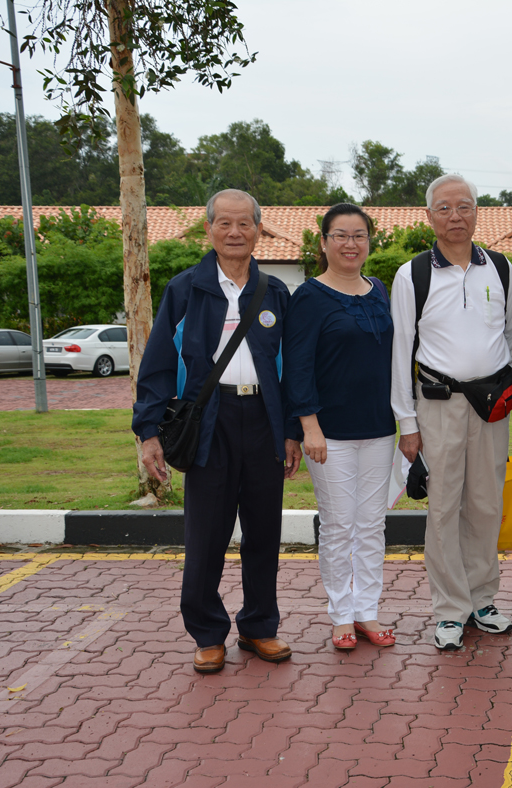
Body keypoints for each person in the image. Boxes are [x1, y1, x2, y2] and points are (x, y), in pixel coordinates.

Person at [133, 189, 301, 674]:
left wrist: (290, 429)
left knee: (264, 532)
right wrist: (148, 432)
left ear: (258, 230)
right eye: (224, 223)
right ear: (208, 229)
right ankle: (207, 634)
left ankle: (259, 626)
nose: (234, 232)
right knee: (206, 534)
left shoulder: (275, 292)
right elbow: (159, 364)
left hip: (264, 419)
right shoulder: (185, 289)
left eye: (244, 223)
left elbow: (293, 369)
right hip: (208, 421)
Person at [389, 174, 512, 650]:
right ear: (429, 217)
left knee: (486, 505)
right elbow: (400, 352)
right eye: (444, 208)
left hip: (490, 409)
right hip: (437, 407)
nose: (455, 216)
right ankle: (450, 609)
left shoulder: (501, 268)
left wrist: (499, 386)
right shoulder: (413, 275)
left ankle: (482, 601)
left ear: (476, 213)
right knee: (443, 508)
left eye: (464, 206)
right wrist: (407, 424)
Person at [283, 203, 397, 651]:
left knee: (372, 525)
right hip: (329, 433)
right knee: (338, 525)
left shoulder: (379, 290)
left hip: (379, 429)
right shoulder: (309, 297)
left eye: (359, 235)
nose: (351, 244)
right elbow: (297, 366)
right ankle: (341, 615)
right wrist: (308, 426)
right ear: (324, 242)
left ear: (369, 241)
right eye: (341, 235)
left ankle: (367, 611)